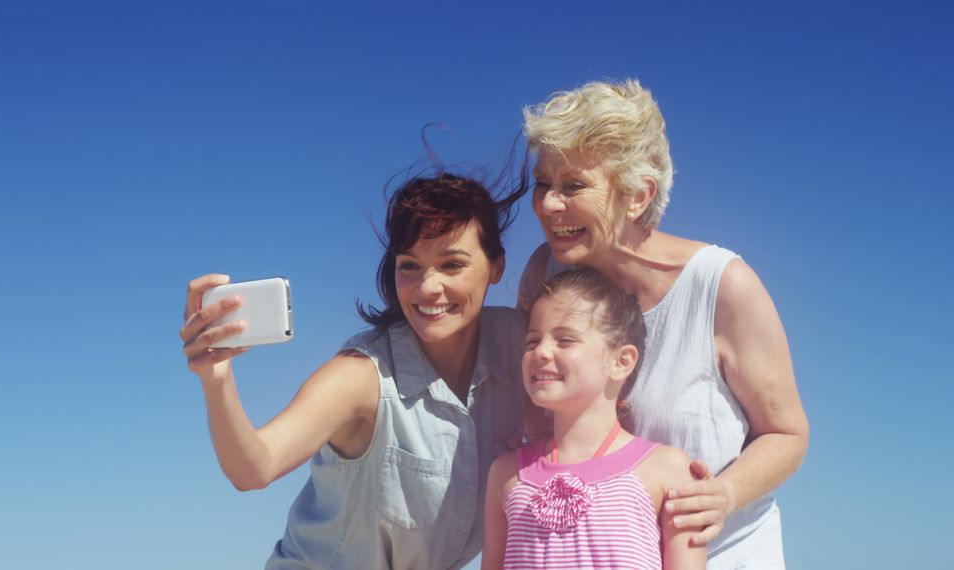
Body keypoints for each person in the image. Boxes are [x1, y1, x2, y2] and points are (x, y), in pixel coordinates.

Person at [517, 79, 809, 569]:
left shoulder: (723, 287)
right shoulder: (545, 274)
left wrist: (725, 493)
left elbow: (787, 433)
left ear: (637, 195)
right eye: (543, 183)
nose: (548, 205)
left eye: (574, 186)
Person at [180, 171, 529, 569]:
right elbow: (253, 469)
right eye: (410, 265)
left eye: (452, 265)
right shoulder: (360, 376)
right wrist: (217, 379)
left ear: (496, 267)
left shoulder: (523, 344)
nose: (428, 287)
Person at [483, 268, 706, 569]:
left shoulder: (668, 470)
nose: (541, 352)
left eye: (565, 340)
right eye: (532, 341)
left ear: (621, 361)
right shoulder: (506, 474)